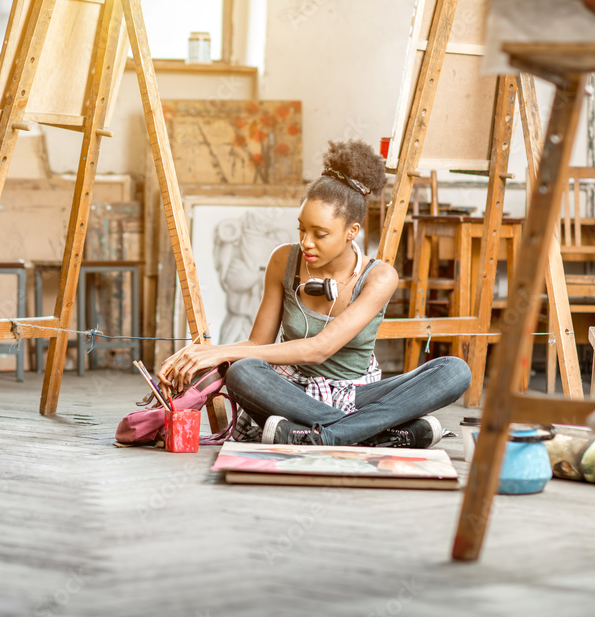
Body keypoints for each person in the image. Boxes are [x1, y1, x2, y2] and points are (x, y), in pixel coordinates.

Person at [158, 139, 471, 447]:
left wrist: (221, 352)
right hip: (291, 392)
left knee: (454, 371)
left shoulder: (380, 276)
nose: (307, 242)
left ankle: (326, 435)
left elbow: (320, 348)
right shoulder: (283, 260)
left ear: (352, 232)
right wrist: (208, 353)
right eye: (301, 229)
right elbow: (257, 344)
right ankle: (370, 433)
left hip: (357, 395)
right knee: (243, 372)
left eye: (320, 234)